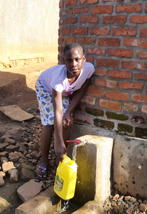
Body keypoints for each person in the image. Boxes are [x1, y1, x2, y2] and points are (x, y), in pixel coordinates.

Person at [35, 43, 95, 180]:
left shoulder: (89, 69)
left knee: (67, 120)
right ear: (64, 61)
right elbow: (57, 111)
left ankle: (60, 157)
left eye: (77, 59)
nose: (73, 64)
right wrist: (59, 143)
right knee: (50, 123)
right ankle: (44, 159)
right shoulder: (58, 79)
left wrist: (68, 112)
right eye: (69, 60)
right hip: (46, 88)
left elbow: (81, 90)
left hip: (66, 91)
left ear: (83, 59)